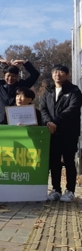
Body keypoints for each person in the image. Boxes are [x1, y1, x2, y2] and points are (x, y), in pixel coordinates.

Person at [40, 65, 82, 202]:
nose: (57, 74)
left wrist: (55, 122)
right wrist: (48, 122)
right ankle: (56, 189)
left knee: (69, 160)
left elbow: (73, 109)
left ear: (67, 75)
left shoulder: (74, 90)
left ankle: (70, 191)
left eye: (61, 72)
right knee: (54, 162)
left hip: (69, 132)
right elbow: (43, 108)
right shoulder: (48, 91)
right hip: (52, 132)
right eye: (55, 72)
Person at [0, 59, 39, 124]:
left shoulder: (22, 85)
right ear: (4, 76)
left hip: (17, 121)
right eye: (8, 76)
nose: (10, 78)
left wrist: (24, 62)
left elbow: (35, 74)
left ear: (17, 76)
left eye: (13, 76)